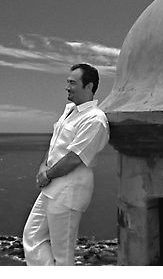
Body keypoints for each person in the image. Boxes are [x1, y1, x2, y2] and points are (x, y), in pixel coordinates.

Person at [22, 63, 110, 266]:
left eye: (72, 83)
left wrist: (47, 174)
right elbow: (56, 144)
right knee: (32, 236)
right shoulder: (70, 110)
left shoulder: (95, 120)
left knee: (63, 253)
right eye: (67, 82)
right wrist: (43, 166)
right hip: (52, 187)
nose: (67, 87)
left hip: (69, 191)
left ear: (89, 87)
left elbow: (74, 158)